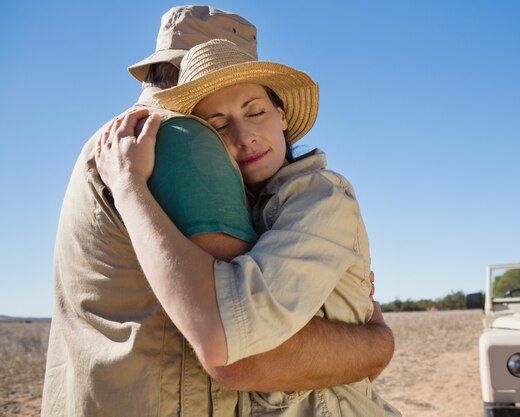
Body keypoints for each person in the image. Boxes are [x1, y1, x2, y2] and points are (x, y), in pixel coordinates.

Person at [42, 6, 394, 417]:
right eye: (218, 120)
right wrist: (379, 342)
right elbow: (241, 353)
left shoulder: (114, 144)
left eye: (255, 109)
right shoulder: (182, 140)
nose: (242, 136)